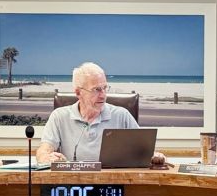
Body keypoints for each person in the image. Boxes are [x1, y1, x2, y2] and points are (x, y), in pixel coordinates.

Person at [36, 62, 164, 164]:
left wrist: (154, 156)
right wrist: (45, 157)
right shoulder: (59, 116)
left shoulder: (122, 115)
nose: (103, 95)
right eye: (96, 89)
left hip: (114, 182)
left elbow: (144, 151)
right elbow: (44, 149)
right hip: (72, 182)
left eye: (105, 88)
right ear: (78, 93)